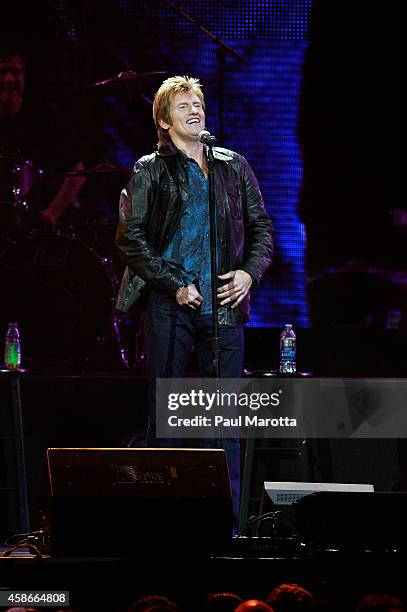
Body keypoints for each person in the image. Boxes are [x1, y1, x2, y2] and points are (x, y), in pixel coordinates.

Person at [115, 75, 273, 528]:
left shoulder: (232, 166)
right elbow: (130, 239)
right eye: (183, 105)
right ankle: (163, 523)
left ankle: (228, 525)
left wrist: (248, 272)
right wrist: (173, 283)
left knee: (225, 423)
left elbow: (262, 230)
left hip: (223, 309)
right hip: (172, 305)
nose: (194, 110)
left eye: (198, 102)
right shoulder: (151, 169)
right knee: (167, 418)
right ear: (164, 121)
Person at [0, 44, 86, 235]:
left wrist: (51, 215)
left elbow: (77, 171)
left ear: (24, 77)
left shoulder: (41, 119)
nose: (9, 79)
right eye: (3, 71)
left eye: (15, 72)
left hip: (28, 230)